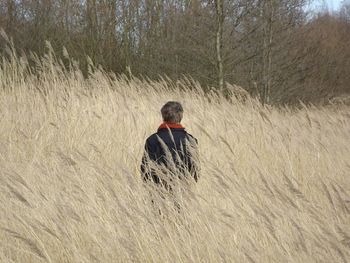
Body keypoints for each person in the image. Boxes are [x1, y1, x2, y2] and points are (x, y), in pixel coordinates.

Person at [141, 101, 199, 191]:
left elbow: (145, 171)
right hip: (184, 195)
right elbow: (195, 172)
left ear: (163, 116)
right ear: (181, 116)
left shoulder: (152, 140)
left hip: (158, 194)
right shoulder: (191, 140)